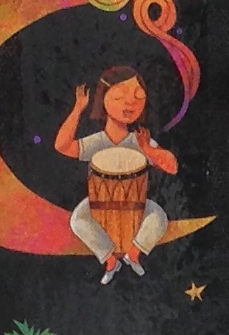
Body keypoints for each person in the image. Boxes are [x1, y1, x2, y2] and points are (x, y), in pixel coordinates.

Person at [56, 64, 178, 283]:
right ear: (103, 99)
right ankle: (110, 260)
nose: (130, 102)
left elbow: (172, 166)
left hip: (137, 204)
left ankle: (134, 254)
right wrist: (78, 109)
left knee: (159, 217)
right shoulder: (97, 142)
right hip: (98, 202)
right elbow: (62, 146)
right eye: (119, 95)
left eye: (138, 96)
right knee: (78, 220)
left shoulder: (139, 140)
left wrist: (148, 149)